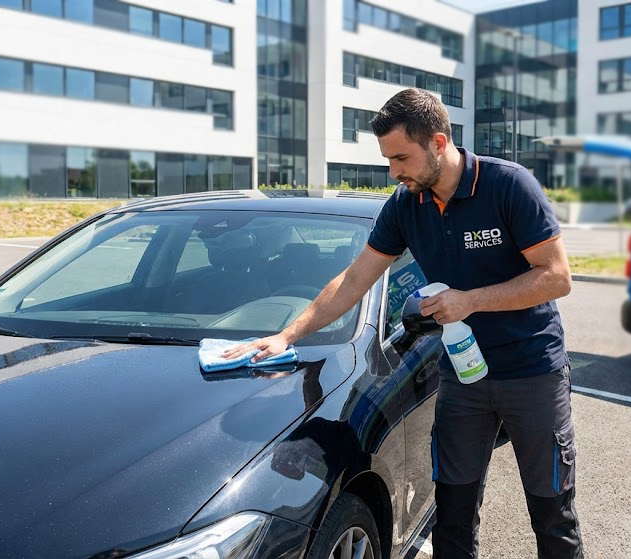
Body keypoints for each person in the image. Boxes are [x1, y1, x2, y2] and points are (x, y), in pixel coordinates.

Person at [222, 88, 582, 558]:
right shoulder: (406, 204)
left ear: (438, 142)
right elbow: (354, 279)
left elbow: (556, 277)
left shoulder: (508, 185)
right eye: (388, 160)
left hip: (532, 372)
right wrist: (287, 335)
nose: (393, 171)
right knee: (453, 517)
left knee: (552, 516)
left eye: (401, 157)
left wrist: (469, 301)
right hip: (463, 378)